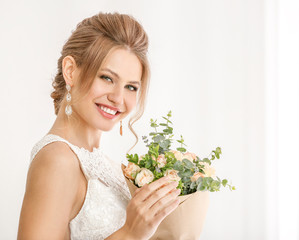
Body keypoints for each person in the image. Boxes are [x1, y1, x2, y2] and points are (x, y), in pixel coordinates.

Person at [17, 12, 180, 240]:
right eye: (107, 78)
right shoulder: (57, 160)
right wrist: (130, 234)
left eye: (131, 87)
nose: (118, 98)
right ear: (71, 71)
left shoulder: (106, 165)